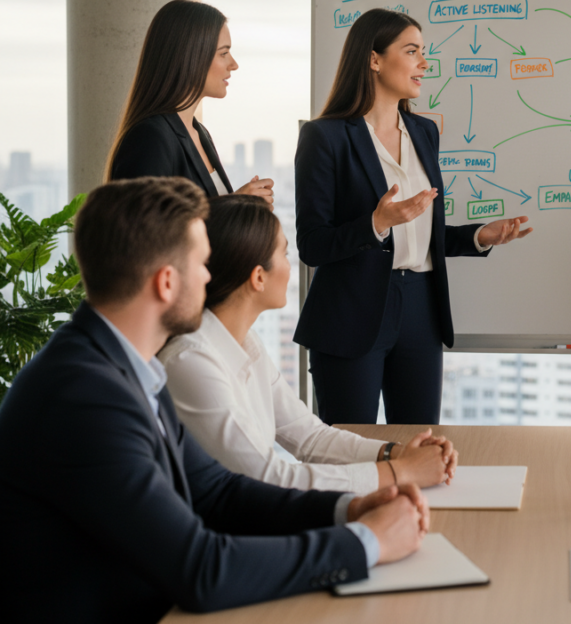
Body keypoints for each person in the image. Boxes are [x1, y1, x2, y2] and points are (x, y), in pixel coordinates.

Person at [0, 177, 428, 622]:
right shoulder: (85, 396)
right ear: (166, 282)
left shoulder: (126, 366)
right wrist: (367, 542)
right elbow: (201, 569)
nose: (210, 276)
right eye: (202, 264)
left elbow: (218, 492)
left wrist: (349, 509)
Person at [294, 8, 533, 426]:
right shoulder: (325, 137)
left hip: (421, 308)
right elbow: (312, 244)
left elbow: (424, 231)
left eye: (424, 52)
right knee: (351, 451)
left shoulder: (424, 132)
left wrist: (479, 236)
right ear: (374, 59)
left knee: (420, 442)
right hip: (351, 311)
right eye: (411, 51)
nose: (424, 63)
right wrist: (376, 223)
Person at [160, 194, 458, 495]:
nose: (291, 268)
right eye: (284, 254)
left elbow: (310, 438)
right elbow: (267, 478)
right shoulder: (191, 361)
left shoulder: (245, 342)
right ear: (258, 277)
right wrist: (401, 472)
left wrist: (396, 453)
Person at [107, 0, 274, 206]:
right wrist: (236, 205)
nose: (234, 64)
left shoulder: (199, 133)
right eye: (224, 53)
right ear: (191, 56)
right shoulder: (151, 138)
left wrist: (241, 208)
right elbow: (145, 233)